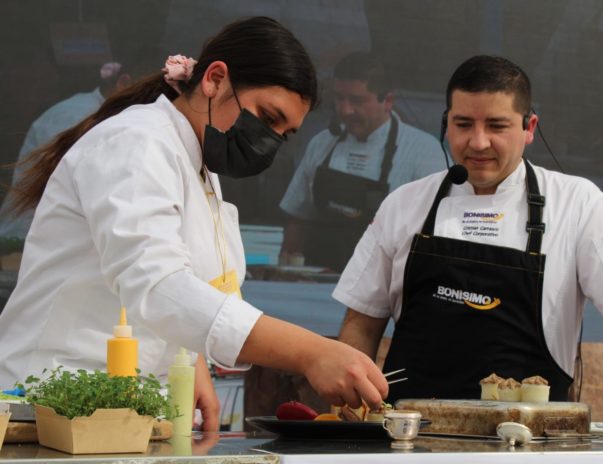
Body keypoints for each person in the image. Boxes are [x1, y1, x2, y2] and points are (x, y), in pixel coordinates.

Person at [0, 17, 388, 430]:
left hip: (121, 415)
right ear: (215, 79)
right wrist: (311, 352)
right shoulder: (137, 143)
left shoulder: (197, 164)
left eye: (284, 133)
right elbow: (158, 283)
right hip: (45, 409)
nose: (270, 141)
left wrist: (190, 357)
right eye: (267, 117)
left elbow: (197, 286)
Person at [334, 55, 603, 410]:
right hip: (409, 439)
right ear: (446, 124)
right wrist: (341, 419)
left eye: (496, 125)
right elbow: (362, 321)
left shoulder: (579, 204)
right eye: (463, 124)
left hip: (529, 444)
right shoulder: (404, 204)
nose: (478, 142)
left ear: (529, 128)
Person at [279, 52, 442, 271]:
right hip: (316, 280)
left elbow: (438, 235)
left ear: (388, 101)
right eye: (339, 98)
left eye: (357, 100)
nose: (345, 110)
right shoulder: (321, 144)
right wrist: (287, 271)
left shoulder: (424, 152)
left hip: (385, 288)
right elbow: (298, 216)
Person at [0, 62, 132, 240]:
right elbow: (81, 187)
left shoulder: (123, 117)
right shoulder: (74, 115)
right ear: (124, 83)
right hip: (27, 237)